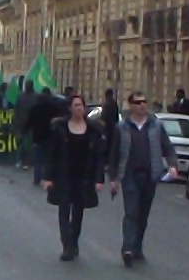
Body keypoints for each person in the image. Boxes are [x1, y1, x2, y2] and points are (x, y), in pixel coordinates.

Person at [109, 90, 181, 267]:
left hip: (150, 174)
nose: (142, 105)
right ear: (131, 105)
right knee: (131, 211)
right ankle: (127, 248)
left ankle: (137, 246)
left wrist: (172, 165)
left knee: (143, 213)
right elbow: (113, 154)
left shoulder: (155, 126)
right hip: (129, 174)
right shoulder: (122, 127)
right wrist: (113, 179)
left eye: (144, 102)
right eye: (138, 102)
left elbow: (167, 147)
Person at [43, 92, 108, 261]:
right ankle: (67, 245)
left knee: (78, 212)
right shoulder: (61, 128)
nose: (80, 109)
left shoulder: (93, 130)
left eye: (82, 105)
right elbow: (52, 153)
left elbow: (98, 157)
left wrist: (99, 179)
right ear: (70, 108)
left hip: (84, 177)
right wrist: (48, 177)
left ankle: (74, 241)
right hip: (63, 176)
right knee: (64, 211)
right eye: (76, 105)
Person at [26, 86, 58, 185]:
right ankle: (48, 178)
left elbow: (29, 122)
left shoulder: (35, 108)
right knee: (49, 159)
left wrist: (24, 131)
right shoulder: (54, 108)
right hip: (50, 136)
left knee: (38, 160)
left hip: (38, 137)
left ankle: (37, 179)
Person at [12, 78, 37, 170]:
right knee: (20, 143)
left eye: (28, 85)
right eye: (26, 84)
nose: (27, 86)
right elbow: (17, 110)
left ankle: (27, 162)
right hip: (21, 124)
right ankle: (19, 160)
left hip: (31, 125)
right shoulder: (21, 96)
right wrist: (15, 122)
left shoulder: (35, 97)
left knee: (29, 144)